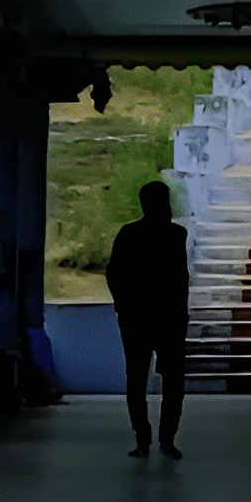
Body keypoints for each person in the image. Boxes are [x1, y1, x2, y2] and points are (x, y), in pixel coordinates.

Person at [106, 179, 188, 459]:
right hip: (168, 321)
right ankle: (166, 440)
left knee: (137, 382)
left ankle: (144, 440)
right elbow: (180, 281)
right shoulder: (177, 235)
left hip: (138, 320)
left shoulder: (129, 234)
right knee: (172, 384)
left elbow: (114, 274)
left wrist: (123, 308)